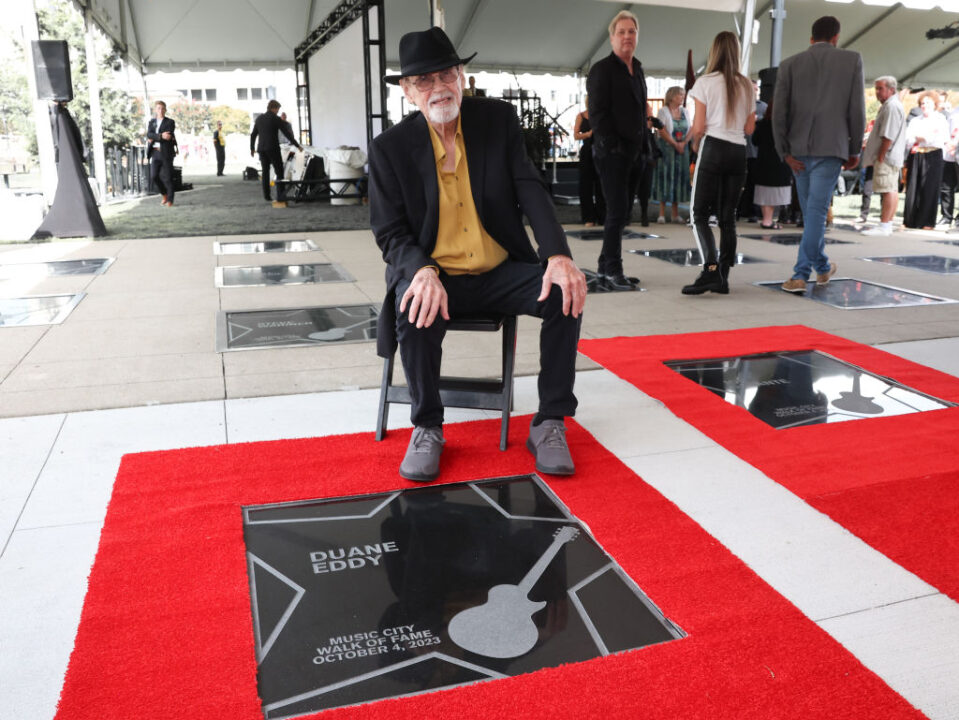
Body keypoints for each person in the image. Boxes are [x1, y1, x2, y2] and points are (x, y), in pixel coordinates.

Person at [368, 27, 587, 483]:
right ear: (408, 92)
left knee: (565, 292)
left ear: (462, 76)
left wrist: (557, 255)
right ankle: (427, 426)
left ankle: (549, 421)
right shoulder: (389, 149)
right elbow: (389, 231)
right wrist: (420, 271)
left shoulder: (496, 120)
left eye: (446, 74)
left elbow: (530, 188)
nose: (439, 88)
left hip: (500, 269)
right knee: (415, 307)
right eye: (424, 81)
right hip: (438, 275)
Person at [772, 15, 865, 293]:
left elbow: (779, 113)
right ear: (836, 37)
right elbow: (857, 110)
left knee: (812, 212)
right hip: (831, 148)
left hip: (797, 151)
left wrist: (783, 151)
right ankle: (817, 269)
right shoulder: (851, 60)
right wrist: (854, 148)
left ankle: (804, 272)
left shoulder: (789, 65)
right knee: (815, 213)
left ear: (811, 38)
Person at [680, 31, 756, 295]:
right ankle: (723, 276)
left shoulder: (705, 82)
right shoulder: (747, 85)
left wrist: (693, 144)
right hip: (738, 152)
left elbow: (699, 126)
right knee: (728, 217)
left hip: (713, 148)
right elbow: (749, 127)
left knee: (698, 213)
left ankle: (709, 269)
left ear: (714, 51)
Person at [587, 9, 651, 291]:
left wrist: (643, 146)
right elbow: (597, 114)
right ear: (612, 37)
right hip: (612, 153)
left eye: (632, 31)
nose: (627, 36)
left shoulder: (637, 68)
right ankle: (613, 269)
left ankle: (605, 265)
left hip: (636, 152)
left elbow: (639, 110)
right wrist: (613, 147)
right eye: (622, 32)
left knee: (623, 212)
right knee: (616, 211)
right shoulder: (602, 69)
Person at [861, 76, 907, 237]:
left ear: (891, 89)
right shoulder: (891, 105)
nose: (877, 92)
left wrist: (880, 155)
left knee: (887, 189)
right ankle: (886, 223)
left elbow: (888, 135)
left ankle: (885, 224)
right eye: (876, 89)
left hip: (887, 156)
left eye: (880, 88)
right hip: (889, 155)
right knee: (891, 189)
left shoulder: (892, 106)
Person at [903, 91, 949, 230]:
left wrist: (924, 138)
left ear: (934, 104)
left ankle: (927, 222)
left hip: (933, 154)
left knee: (929, 188)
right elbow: (908, 137)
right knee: (913, 187)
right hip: (916, 154)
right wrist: (919, 138)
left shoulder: (940, 119)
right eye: (922, 103)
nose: (925, 106)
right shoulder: (916, 120)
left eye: (928, 103)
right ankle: (910, 220)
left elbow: (942, 138)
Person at [652, 86, 691, 224]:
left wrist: (684, 142)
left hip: (682, 149)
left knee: (679, 179)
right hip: (667, 149)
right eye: (680, 95)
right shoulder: (663, 111)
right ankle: (661, 213)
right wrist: (675, 144)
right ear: (672, 96)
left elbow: (690, 129)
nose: (682, 97)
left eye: (683, 95)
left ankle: (675, 214)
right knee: (666, 178)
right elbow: (661, 130)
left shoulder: (685, 111)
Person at [250, 100, 301, 202]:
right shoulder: (275, 118)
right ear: (274, 108)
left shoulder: (259, 118)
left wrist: (252, 148)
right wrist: (297, 145)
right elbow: (287, 133)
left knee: (265, 172)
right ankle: (280, 195)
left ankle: (267, 196)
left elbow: (253, 134)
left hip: (261, 149)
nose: (278, 111)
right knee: (279, 171)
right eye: (278, 109)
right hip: (272, 148)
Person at [752, 98, 792, 230]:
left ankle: (766, 219)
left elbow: (755, 141)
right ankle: (768, 221)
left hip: (763, 162)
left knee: (764, 192)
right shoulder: (786, 126)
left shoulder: (762, 123)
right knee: (775, 192)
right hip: (780, 163)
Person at [574, 99, 605, 226]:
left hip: (600, 151)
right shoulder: (581, 116)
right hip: (587, 151)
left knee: (601, 185)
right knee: (586, 185)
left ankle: (602, 216)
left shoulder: (602, 116)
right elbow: (576, 135)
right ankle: (588, 217)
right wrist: (588, 134)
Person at [146, 100, 178, 206]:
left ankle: (170, 199)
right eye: (159, 108)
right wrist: (160, 136)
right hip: (155, 153)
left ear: (165, 110)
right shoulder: (152, 122)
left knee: (168, 177)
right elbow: (149, 134)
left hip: (166, 152)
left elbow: (168, 136)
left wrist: (155, 137)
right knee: (154, 176)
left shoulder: (170, 122)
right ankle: (164, 194)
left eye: (163, 108)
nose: (161, 110)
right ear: (155, 110)